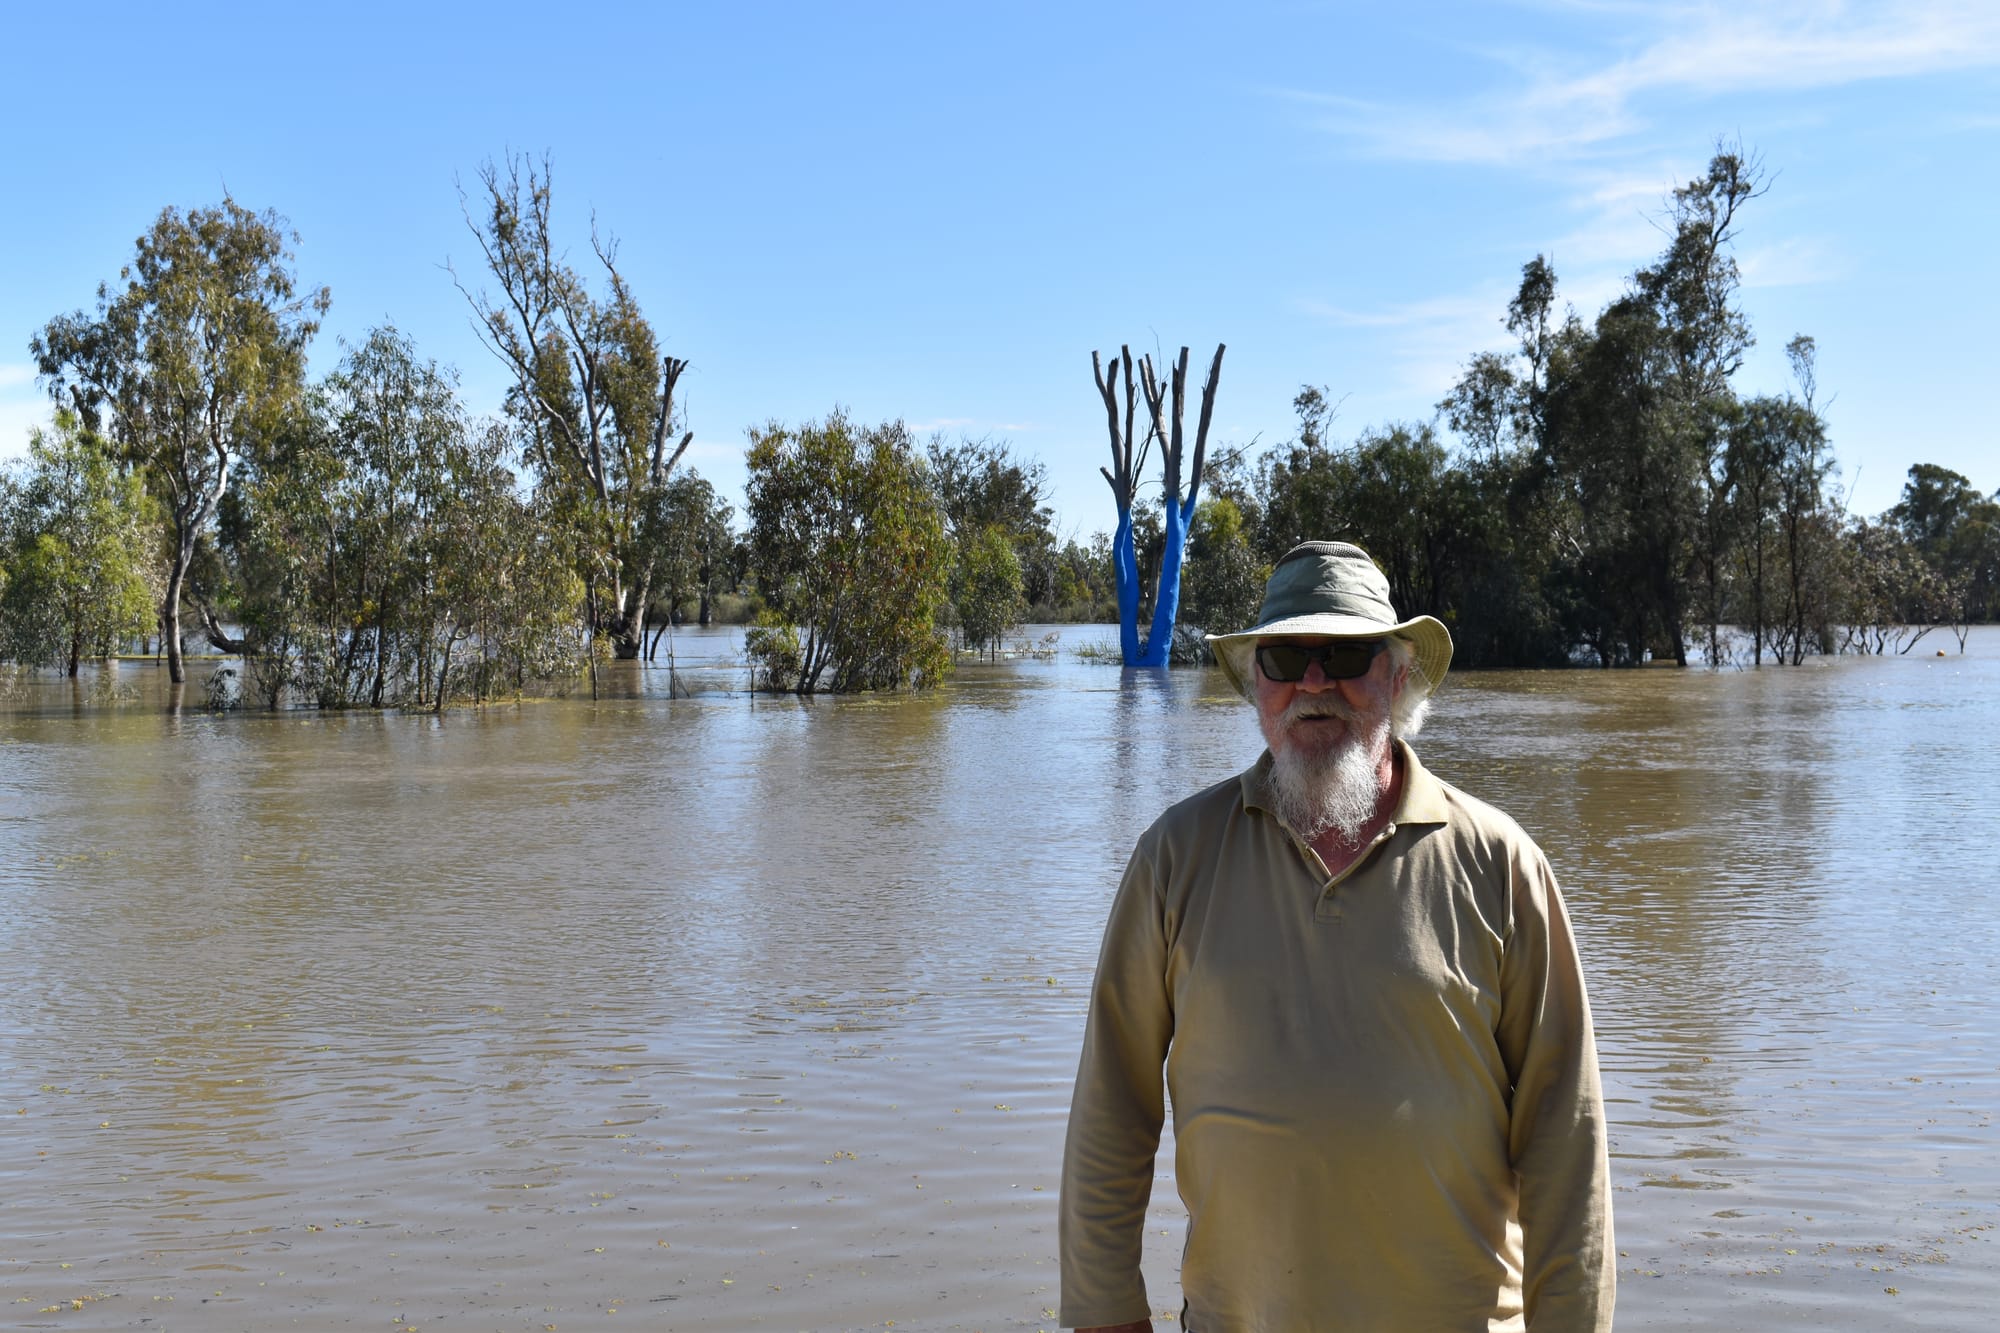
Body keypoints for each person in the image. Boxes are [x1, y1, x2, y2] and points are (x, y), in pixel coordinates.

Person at [1059, 540, 1613, 1332]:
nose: (1313, 682)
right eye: (1286, 656)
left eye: (1346, 654)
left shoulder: (1501, 864)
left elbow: (1569, 1141)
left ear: (1396, 676)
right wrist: (1107, 1315)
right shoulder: (1174, 859)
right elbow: (1110, 1115)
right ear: (1258, 682)